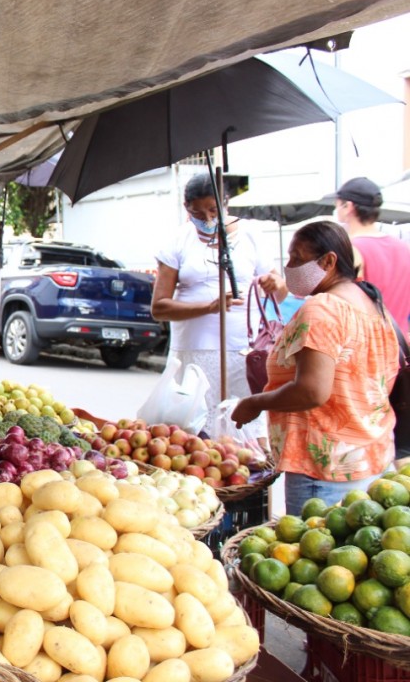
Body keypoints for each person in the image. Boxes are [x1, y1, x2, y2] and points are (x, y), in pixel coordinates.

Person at [231, 221, 401, 511]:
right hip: (373, 458)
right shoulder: (371, 302)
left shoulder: (323, 308)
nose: (289, 266)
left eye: (297, 258)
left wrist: (255, 403)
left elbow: (311, 391)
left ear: (329, 261)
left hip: (324, 471)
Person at [152, 173, 287, 440]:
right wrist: (210, 307)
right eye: (197, 213)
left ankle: (256, 481)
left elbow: (280, 293)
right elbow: (159, 308)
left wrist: (276, 284)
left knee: (245, 432)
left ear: (225, 203)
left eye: (213, 210)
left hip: (242, 350)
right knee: (194, 433)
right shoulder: (178, 241)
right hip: (193, 352)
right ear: (186, 208)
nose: (207, 219)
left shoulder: (251, 236)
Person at [333, 176, 410, 335]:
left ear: (349, 207)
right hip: (399, 352)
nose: (336, 207)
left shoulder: (350, 249)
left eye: (338, 204)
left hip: (366, 351)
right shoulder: (404, 249)